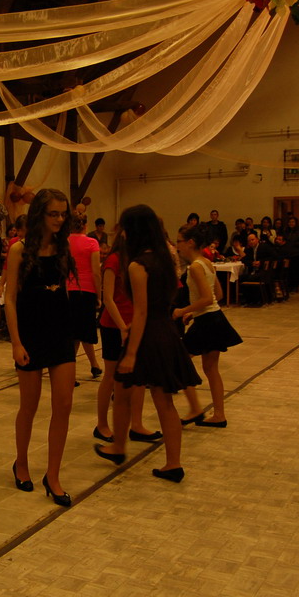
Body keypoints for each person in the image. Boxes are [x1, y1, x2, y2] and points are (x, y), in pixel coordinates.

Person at [93, 204, 201, 483]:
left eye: (125, 228)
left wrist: (131, 352)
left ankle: (121, 447)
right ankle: (170, 462)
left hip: (148, 336)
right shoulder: (166, 259)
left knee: (126, 390)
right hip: (165, 331)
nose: (122, 233)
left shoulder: (138, 265)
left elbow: (140, 311)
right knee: (162, 400)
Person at [4, 188, 76, 507]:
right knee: (29, 405)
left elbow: (65, 291)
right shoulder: (19, 250)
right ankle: (21, 462)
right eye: (53, 214)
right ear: (39, 215)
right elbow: (10, 298)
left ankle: (53, 475)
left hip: (60, 332)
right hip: (30, 333)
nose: (59, 219)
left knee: (64, 404)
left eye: (63, 214)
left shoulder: (63, 247)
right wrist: (16, 342)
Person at [173, 224, 242, 428]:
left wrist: (183, 310)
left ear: (190, 243)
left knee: (180, 361)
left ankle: (195, 408)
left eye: (179, 241)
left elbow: (206, 298)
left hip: (207, 321)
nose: (177, 246)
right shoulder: (207, 262)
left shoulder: (195, 266)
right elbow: (217, 295)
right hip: (214, 318)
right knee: (211, 369)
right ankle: (219, 414)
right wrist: (193, 313)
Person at [93, 231, 156, 445]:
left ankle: (136, 424)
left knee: (139, 377)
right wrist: (122, 327)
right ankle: (102, 424)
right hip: (114, 325)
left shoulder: (137, 260)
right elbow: (108, 298)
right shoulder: (113, 260)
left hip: (134, 324)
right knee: (111, 377)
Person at [67, 213, 103, 383]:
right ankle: (70, 373)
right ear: (85, 225)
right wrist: (99, 295)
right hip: (86, 289)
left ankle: (94, 364)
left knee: (77, 331)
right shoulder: (92, 243)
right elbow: (96, 272)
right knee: (82, 331)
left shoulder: (64, 242)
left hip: (68, 289)